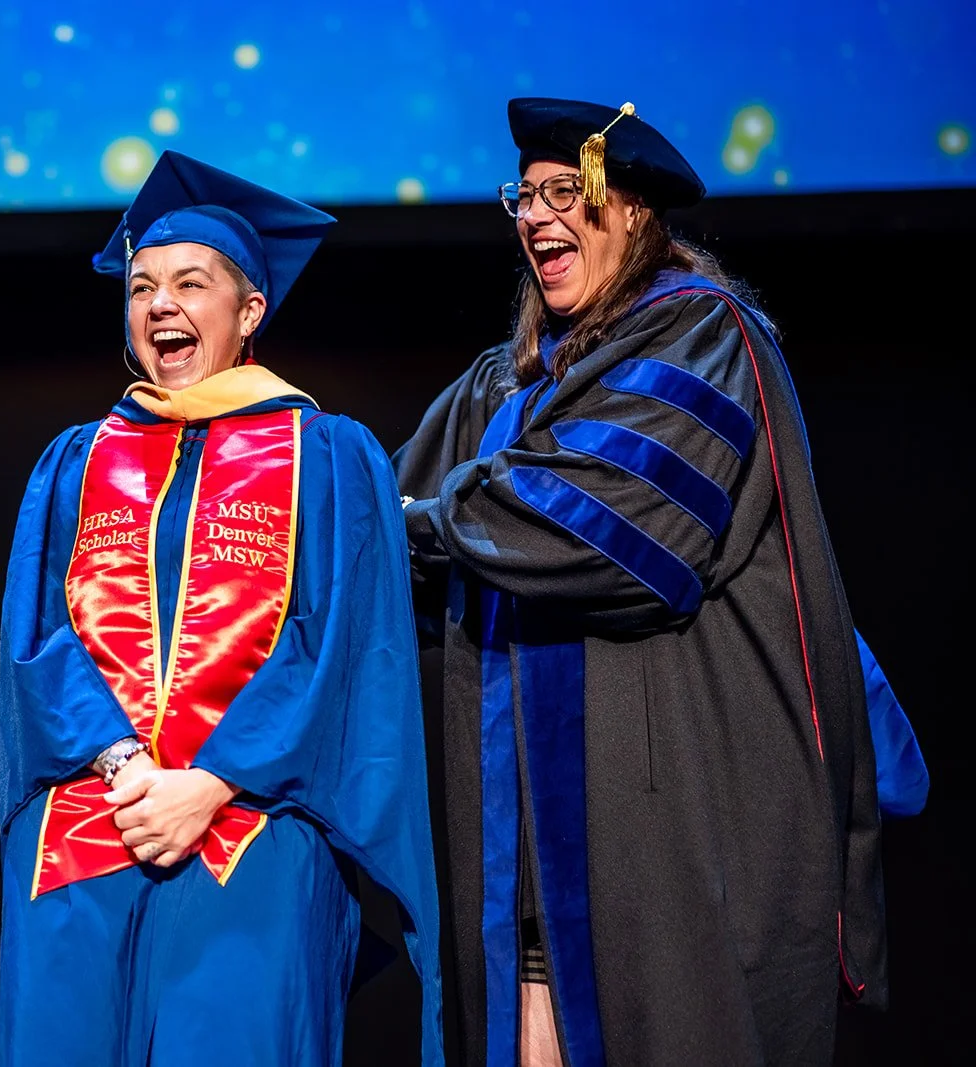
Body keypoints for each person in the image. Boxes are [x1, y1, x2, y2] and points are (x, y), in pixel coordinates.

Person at [393, 98, 928, 1066]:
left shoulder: (701, 337)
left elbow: (604, 527)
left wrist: (427, 526)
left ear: (632, 210)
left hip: (667, 808)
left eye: (567, 192)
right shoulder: (500, 384)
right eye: (525, 195)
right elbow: (379, 514)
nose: (535, 216)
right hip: (522, 835)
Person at [0, 151, 445, 1066]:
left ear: (250, 311)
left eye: (191, 283)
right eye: (143, 285)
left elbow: (341, 647)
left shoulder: (326, 453)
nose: (161, 305)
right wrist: (127, 771)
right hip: (90, 821)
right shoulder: (77, 459)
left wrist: (211, 781)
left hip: (257, 826)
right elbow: (41, 641)